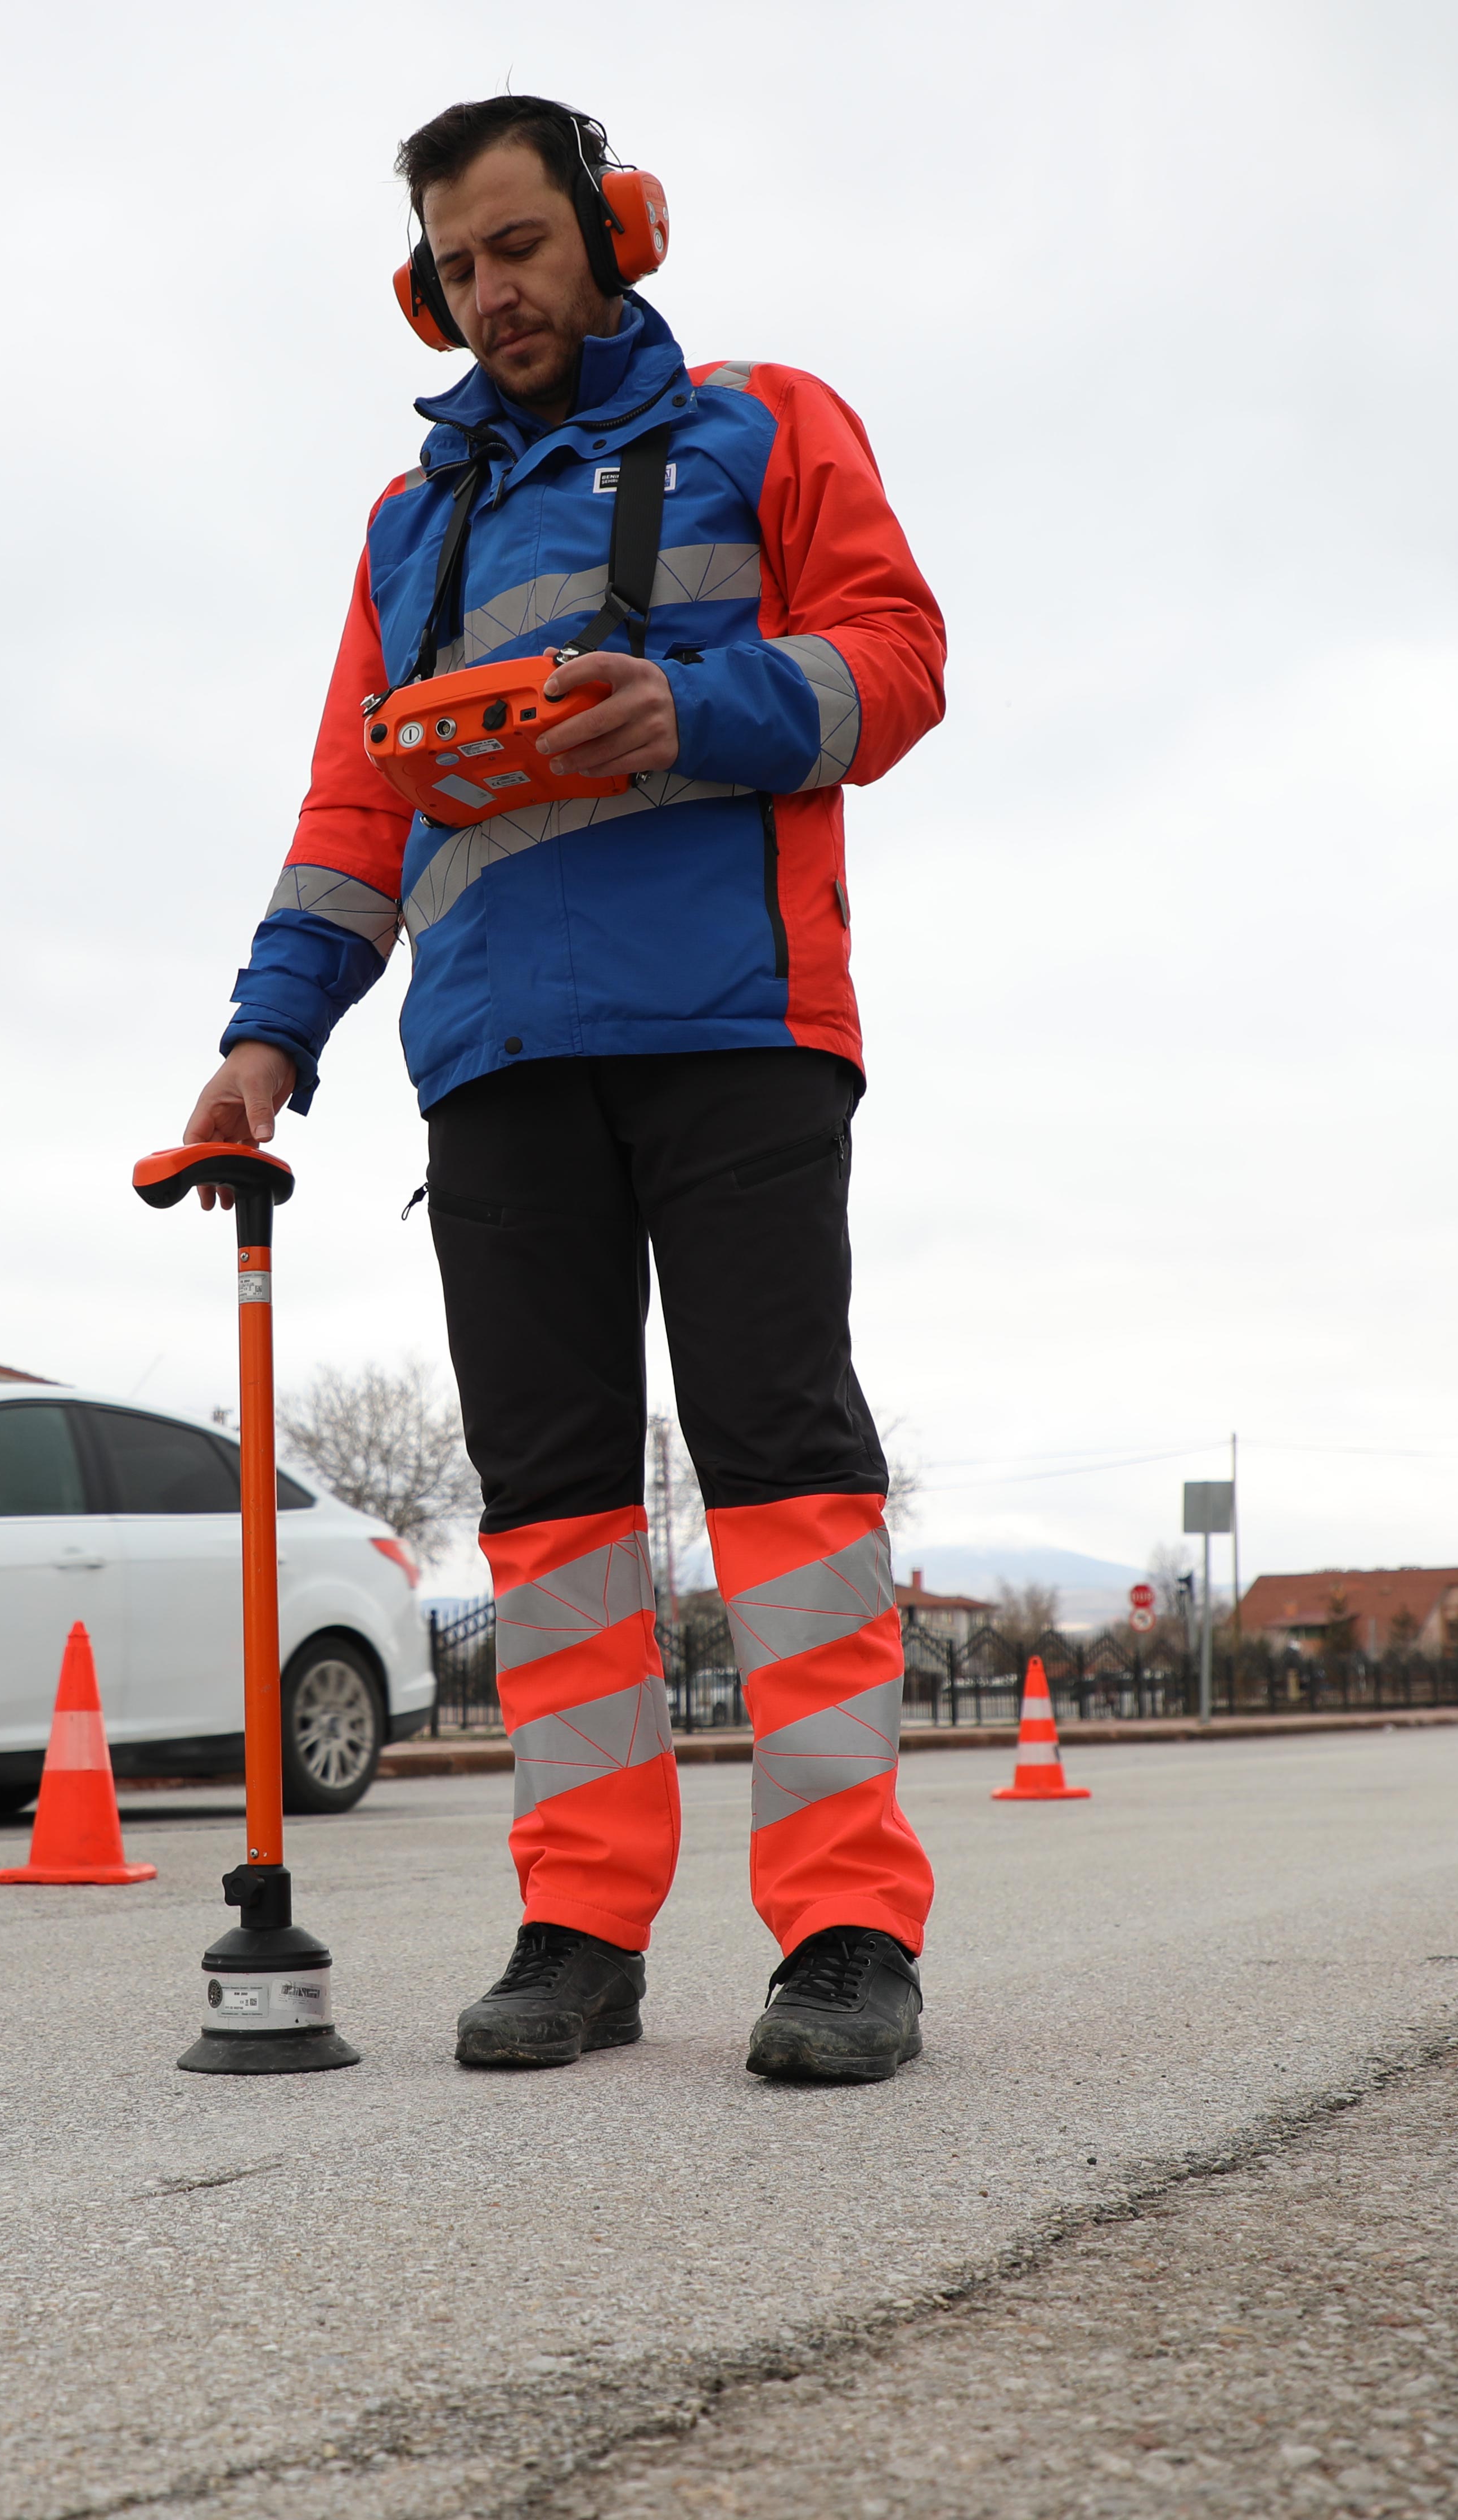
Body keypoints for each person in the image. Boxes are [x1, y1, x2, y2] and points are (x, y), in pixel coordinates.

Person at [177, 94, 949, 2081]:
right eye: (454, 267)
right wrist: (269, 1043)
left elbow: (898, 661)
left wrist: (692, 701)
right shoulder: (406, 526)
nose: (489, 292)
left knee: (784, 1478)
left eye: (518, 246)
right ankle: (583, 1922)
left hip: (737, 1028)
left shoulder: (764, 422)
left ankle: (848, 1929)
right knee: (554, 1515)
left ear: (613, 233)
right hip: (498, 1060)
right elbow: (356, 807)